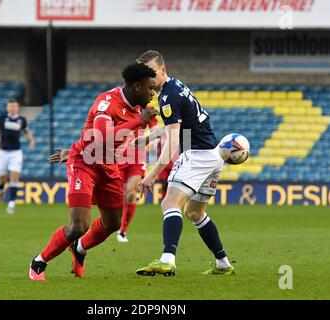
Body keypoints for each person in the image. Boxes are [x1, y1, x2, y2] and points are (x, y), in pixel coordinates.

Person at [29, 62, 159, 280]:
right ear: (137, 86)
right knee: (78, 226)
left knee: (113, 224)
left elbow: (124, 140)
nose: (152, 93)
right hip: (84, 164)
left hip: (109, 168)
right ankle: (39, 262)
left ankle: (79, 249)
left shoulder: (138, 107)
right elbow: (100, 138)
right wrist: (139, 121)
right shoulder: (107, 103)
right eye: (150, 87)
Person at [135, 50, 235, 276]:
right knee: (194, 213)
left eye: (152, 73)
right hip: (213, 155)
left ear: (163, 70)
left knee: (169, 203)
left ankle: (167, 259)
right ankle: (223, 263)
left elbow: (172, 144)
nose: (148, 79)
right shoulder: (175, 87)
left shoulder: (168, 97)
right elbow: (176, 126)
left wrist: (151, 175)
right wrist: (149, 137)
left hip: (198, 156)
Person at [116, 116, 159, 243]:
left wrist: (153, 140)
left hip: (137, 158)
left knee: (130, 193)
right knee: (116, 195)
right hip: (117, 158)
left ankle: (123, 230)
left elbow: (156, 129)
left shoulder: (146, 109)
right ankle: (111, 223)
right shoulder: (119, 107)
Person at [0, 99, 35, 214]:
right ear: (7, 108)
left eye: (14, 106)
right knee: (2, 177)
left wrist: (31, 140)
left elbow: (26, 131)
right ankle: (1, 190)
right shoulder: (1, 118)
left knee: (14, 175)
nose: (12, 108)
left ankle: (11, 203)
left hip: (16, 152)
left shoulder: (21, 120)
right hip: (3, 151)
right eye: (10, 106)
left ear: (17, 108)